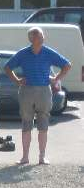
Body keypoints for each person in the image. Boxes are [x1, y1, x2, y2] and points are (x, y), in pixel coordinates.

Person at [5, 27, 71, 165]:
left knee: (43, 123)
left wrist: (56, 79)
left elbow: (66, 65)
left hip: (44, 91)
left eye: (41, 36)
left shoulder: (48, 52)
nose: (41, 38)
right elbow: (7, 67)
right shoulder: (23, 53)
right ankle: (25, 157)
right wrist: (17, 80)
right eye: (37, 36)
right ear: (31, 39)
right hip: (27, 90)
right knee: (26, 123)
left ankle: (42, 157)